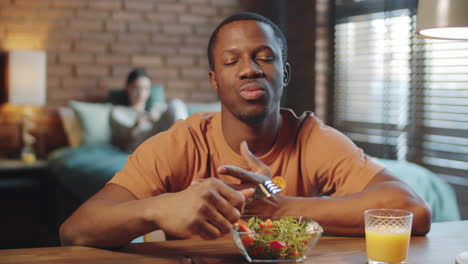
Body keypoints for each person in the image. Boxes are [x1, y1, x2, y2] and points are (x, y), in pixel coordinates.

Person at [59, 12, 431, 248]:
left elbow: (412, 209)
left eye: (264, 57)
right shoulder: (180, 142)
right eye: (231, 60)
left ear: (283, 73)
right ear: (214, 80)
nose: (250, 68)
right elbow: (75, 230)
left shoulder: (313, 138)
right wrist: (159, 209)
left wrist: (282, 208)